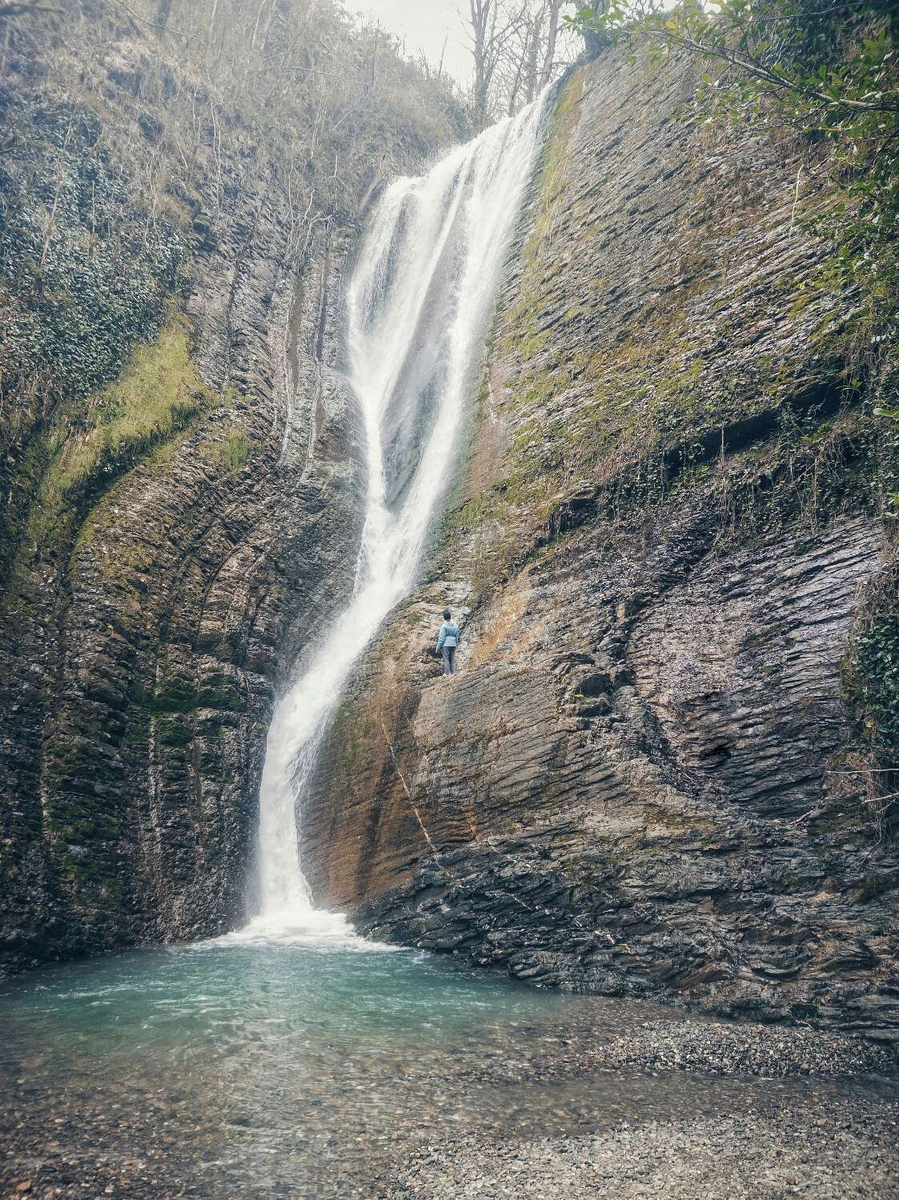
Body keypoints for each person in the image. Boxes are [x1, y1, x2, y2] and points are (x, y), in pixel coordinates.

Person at [436, 609, 459, 675]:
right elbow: (457, 635)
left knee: (446, 659)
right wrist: (456, 643)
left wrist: (438, 647)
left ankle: (447, 673)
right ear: (450, 616)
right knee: (452, 659)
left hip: (446, 644)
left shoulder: (444, 626)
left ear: (444, 617)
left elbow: (441, 638)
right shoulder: (455, 625)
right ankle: (454, 672)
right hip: (453, 644)